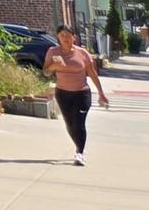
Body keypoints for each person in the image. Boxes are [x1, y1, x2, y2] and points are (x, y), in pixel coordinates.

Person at [43, 26, 109, 165]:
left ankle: (80, 152)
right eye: (62, 35)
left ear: (74, 37)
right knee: (70, 123)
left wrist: (101, 93)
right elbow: (46, 72)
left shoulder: (82, 53)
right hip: (63, 93)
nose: (65, 38)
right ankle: (79, 146)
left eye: (68, 35)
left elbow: (92, 73)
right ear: (58, 37)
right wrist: (53, 67)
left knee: (79, 123)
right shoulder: (53, 51)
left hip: (81, 93)